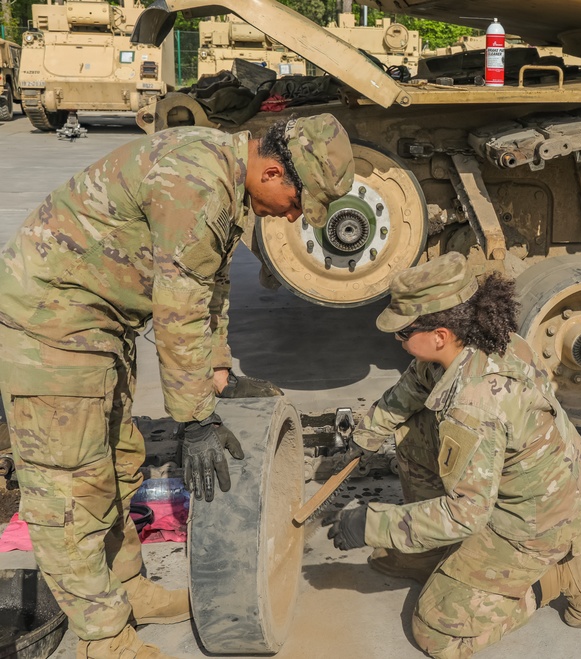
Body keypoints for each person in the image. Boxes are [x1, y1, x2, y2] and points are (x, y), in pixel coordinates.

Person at [0, 114, 353, 658]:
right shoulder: (197, 179)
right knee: (69, 492)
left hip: (97, 322)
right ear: (275, 171)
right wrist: (195, 418)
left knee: (116, 465)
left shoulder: (227, 181)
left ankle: (130, 589)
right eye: (296, 202)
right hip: (50, 325)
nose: (293, 216)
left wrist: (218, 372)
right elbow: (178, 307)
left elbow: (210, 288)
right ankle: (104, 640)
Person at [323, 252, 581, 658]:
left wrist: (372, 524)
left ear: (439, 334)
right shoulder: (475, 343)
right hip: (532, 481)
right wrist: (365, 436)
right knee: (414, 430)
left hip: (534, 520)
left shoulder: (473, 405)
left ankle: (562, 577)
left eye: (403, 334)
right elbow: (415, 388)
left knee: (437, 635)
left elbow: (465, 514)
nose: (398, 341)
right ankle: (431, 553)